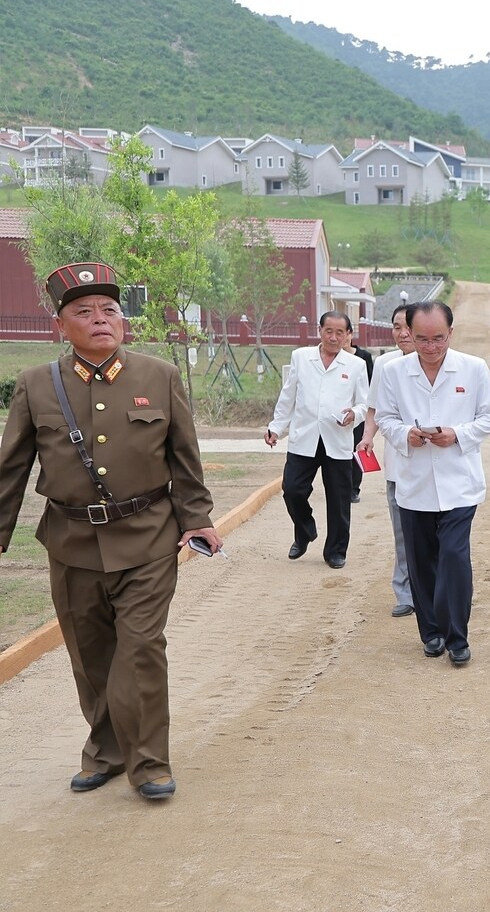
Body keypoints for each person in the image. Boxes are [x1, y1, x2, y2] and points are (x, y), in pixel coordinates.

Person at [0, 262, 222, 800]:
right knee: (91, 654)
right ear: (60, 325)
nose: (101, 318)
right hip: (71, 543)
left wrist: (197, 518)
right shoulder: (36, 385)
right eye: (84, 311)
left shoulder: (159, 377)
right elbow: (11, 468)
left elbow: (184, 458)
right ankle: (107, 750)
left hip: (148, 537)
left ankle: (149, 763)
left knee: (140, 648)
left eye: (110, 309)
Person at [374, 301, 490, 665]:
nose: (431, 347)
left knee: (454, 557)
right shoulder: (393, 371)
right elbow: (385, 417)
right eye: (422, 339)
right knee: (421, 560)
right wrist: (406, 434)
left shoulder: (473, 368)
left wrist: (457, 434)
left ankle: (457, 636)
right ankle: (431, 632)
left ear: (451, 333)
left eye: (439, 338)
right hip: (413, 482)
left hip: (459, 482)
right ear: (409, 335)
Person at [265, 311, 369, 569]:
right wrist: (276, 427)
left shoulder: (356, 365)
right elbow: (288, 396)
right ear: (319, 330)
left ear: (348, 335)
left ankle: (336, 550)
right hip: (305, 437)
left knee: (339, 499)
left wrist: (354, 415)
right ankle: (304, 531)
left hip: (337, 439)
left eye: (339, 333)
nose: (333, 337)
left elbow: (364, 404)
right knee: (293, 489)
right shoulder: (301, 357)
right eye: (328, 331)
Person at [355, 304, 416, 617]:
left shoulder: (441, 363)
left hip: (435, 463)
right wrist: (367, 437)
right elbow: (374, 408)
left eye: (408, 327)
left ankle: (440, 588)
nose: (402, 334)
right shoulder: (384, 364)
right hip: (398, 463)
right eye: (396, 327)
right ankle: (405, 592)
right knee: (403, 532)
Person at [343, 321, 375, 504]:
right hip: (339, 413)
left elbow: (370, 383)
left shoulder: (363, 357)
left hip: (359, 411)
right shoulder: (333, 359)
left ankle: (354, 488)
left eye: (344, 333)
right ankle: (342, 487)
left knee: (357, 449)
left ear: (350, 334)